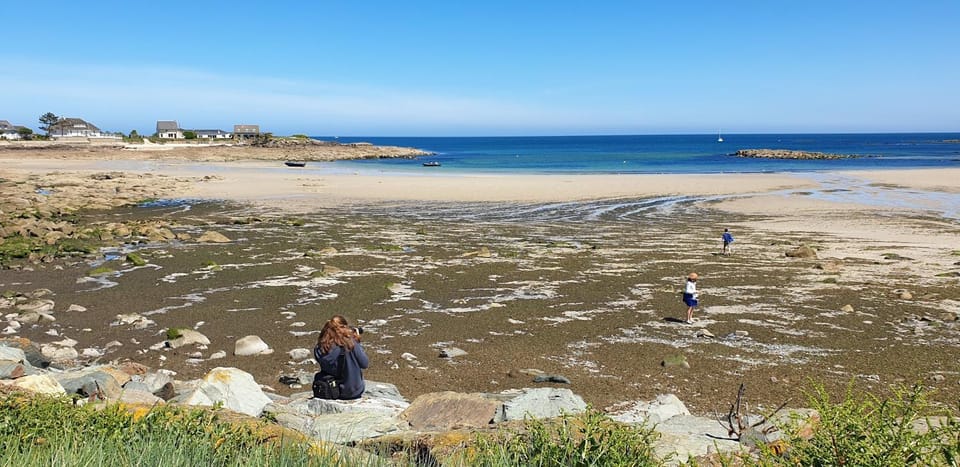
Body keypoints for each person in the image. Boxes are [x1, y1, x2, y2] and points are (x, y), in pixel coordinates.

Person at [314, 315, 369, 399]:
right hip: (352, 391)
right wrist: (357, 342)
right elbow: (364, 363)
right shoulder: (350, 344)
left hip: (329, 390)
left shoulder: (320, 347)